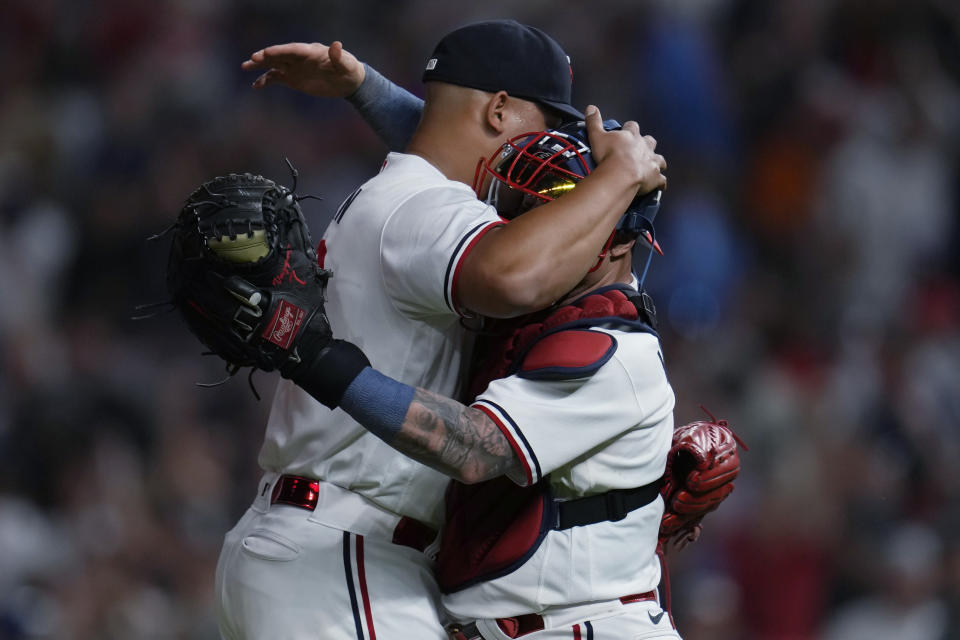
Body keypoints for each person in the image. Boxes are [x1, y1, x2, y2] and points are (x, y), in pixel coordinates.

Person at [214, 20, 667, 640]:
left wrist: (364, 87)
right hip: (343, 557)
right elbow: (515, 277)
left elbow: (454, 145)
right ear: (501, 110)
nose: (551, 162)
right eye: (547, 129)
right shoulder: (424, 205)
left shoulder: (411, 191)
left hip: (325, 550)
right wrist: (620, 177)